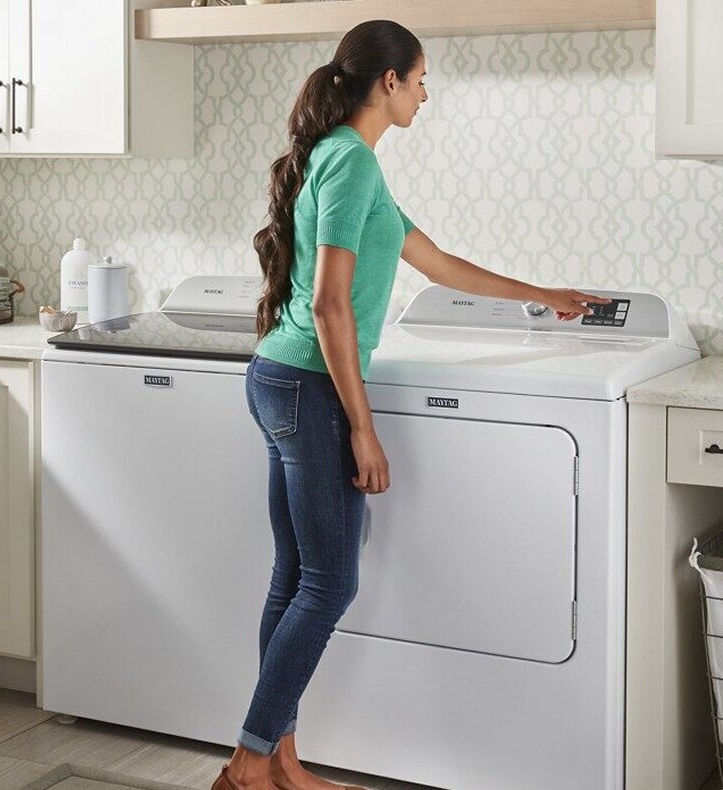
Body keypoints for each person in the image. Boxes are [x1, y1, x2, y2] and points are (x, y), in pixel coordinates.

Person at [214, 19, 609, 790]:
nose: (427, 94)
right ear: (386, 81)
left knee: (295, 578)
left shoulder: (343, 161)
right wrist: (364, 429)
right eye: (421, 79)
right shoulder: (352, 163)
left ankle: (281, 761)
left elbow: (438, 263)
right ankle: (249, 763)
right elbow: (331, 307)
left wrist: (545, 295)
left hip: (279, 379)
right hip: (311, 387)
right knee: (330, 584)